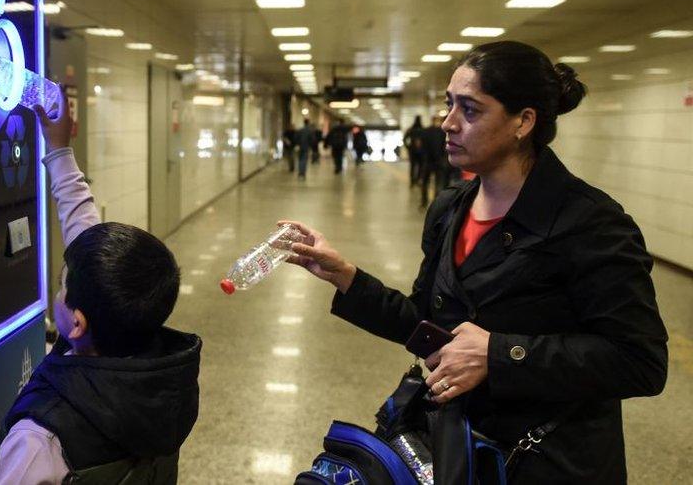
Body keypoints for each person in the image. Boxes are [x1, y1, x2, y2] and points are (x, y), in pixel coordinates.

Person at [280, 41, 668, 484]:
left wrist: (500, 355)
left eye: (470, 110)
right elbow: (428, 325)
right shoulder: (450, 209)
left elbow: (640, 361)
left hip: (549, 462)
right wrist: (347, 278)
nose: (447, 123)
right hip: (461, 452)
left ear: (523, 121)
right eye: (449, 105)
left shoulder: (590, 222)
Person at [0, 97, 202, 484]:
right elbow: (87, 237)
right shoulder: (161, 373)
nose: (58, 285)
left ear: (78, 323)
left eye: (61, 284)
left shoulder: (41, 438)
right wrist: (59, 149)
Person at [418, 114, 450, 208]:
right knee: (438, 182)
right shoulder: (442, 132)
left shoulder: (426, 131)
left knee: (426, 182)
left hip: (427, 161)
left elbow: (421, 147)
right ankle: (436, 203)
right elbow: (445, 147)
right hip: (438, 161)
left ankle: (424, 201)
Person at [403, 115, 424, 186]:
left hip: (412, 151)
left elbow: (405, 139)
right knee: (420, 166)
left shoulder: (411, 129)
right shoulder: (423, 129)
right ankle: (417, 180)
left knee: (412, 166)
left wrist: (408, 147)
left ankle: (412, 181)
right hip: (421, 152)